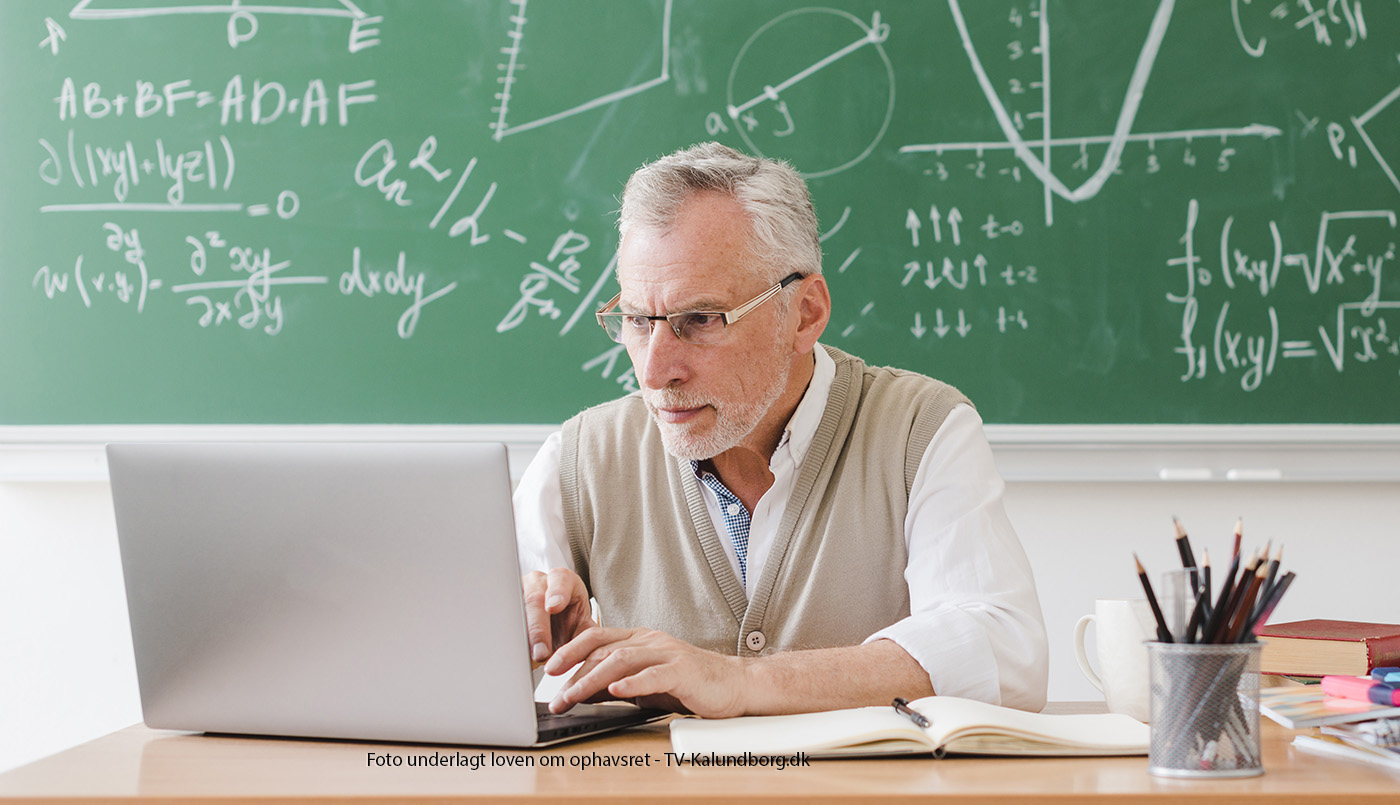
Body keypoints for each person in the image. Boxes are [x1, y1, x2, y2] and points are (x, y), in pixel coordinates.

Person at [513, 142, 1047, 719]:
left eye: (700, 320)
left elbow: (1005, 654)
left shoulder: (920, 430)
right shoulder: (580, 457)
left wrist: (738, 682)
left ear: (806, 313)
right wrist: (530, 647)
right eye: (639, 321)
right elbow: (462, 668)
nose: (654, 370)